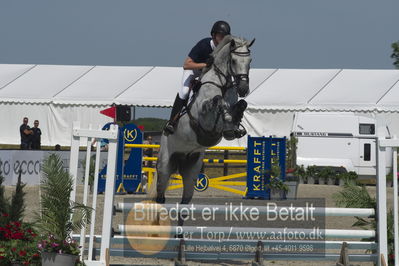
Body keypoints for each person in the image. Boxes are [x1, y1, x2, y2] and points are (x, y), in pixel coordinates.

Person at [164, 21, 231, 135]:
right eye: (220, 35)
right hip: (193, 71)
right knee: (185, 92)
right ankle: (172, 122)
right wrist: (205, 65)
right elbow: (186, 64)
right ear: (213, 35)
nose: (222, 38)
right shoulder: (204, 44)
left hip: (208, 76)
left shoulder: (225, 50)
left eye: (224, 36)